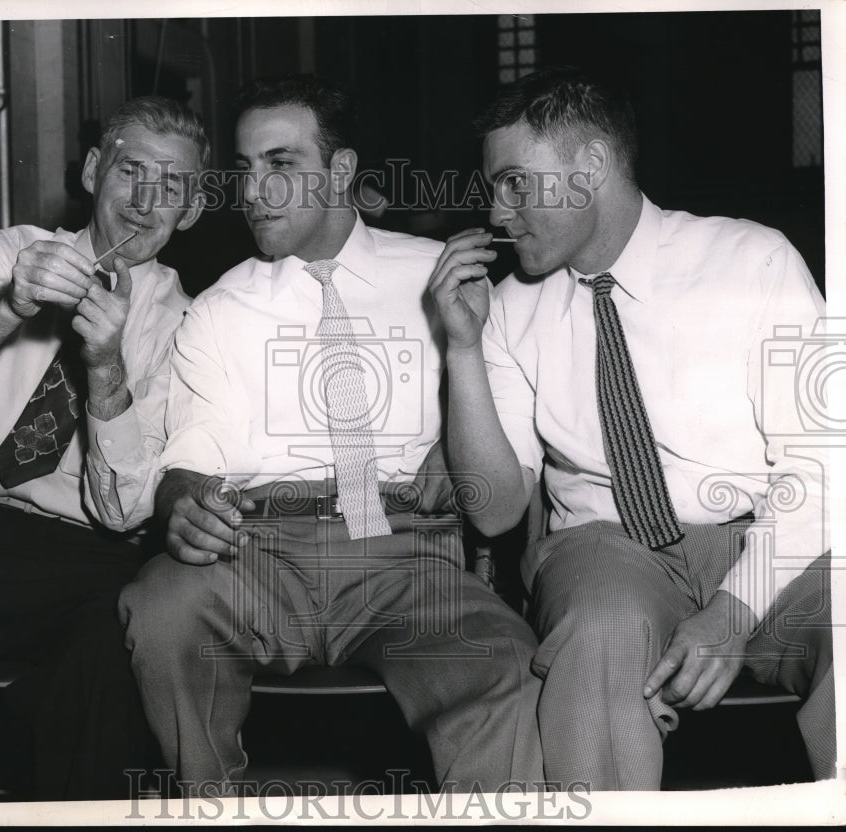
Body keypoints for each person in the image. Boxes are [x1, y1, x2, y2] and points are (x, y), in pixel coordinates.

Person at [118, 74, 544, 796]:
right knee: (159, 605)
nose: (253, 192)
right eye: (245, 170)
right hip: (259, 554)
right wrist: (182, 501)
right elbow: (196, 450)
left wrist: (456, 439)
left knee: (503, 659)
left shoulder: (443, 282)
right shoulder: (221, 309)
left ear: (340, 170)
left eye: (280, 164)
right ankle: (210, 807)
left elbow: (499, 429)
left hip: (407, 558)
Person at [430, 66, 834, 790]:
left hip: (764, 535)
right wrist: (462, 349)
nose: (496, 212)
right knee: (601, 629)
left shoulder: (752, 261)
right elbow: (494, 509)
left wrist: (735, 613)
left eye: (517, 183)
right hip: (605, 550)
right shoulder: (508, 310)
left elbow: (824, 465)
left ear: (591, 167)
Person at [0, 95, 208, 799]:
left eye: (173, 185)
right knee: (115, 634)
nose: (146, 199)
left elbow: (127, 510)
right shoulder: (14, 252)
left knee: (123, 628)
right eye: (132, 171)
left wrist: (106, 372)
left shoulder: (190, 326)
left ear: (190, 210)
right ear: (96, 170)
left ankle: (45, 780)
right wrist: (11, 305)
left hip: (94, 552)